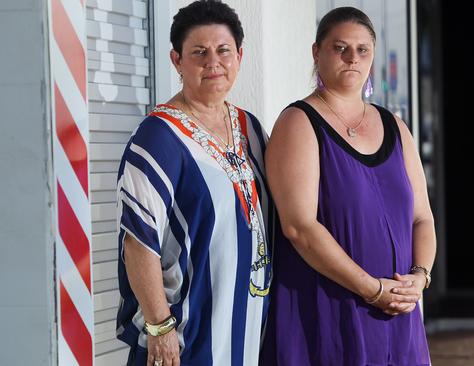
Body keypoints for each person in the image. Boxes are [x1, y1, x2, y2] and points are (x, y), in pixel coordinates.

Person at [261, 6, 436, 366]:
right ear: (316, 52)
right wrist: (372, 289)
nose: (352, 58)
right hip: (329, 313)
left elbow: (422, 218)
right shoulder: (299, 123)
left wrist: (420, 278)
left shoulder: (395, 127)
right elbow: (299, 227)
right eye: (340, 48)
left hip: (398, 314)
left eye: (362, 50)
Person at [115, 2, 272, 365]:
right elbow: (138, 243)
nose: (213, 63)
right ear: (176, 60)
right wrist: (159, 327)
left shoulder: (249, 129)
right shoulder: (158, 138)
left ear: (240, 56)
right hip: (187, 331)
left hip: (245, 325)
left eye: (223, 51)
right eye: (199, 52)